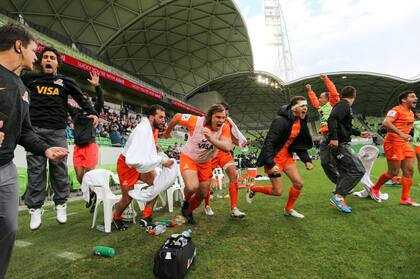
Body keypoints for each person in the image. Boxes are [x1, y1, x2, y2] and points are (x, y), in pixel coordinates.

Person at [0, 24, 68, 279]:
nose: (37, 57)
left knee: (8, 229)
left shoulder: (21, 87)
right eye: (33, 50)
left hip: (5, 169)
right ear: (19, 46)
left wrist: (47, 149)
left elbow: (25, 132)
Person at [21, 46, 99, 230]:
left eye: (52, 58)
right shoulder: (29, 78)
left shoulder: (65, 81)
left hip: (57, 131)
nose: (48, 60)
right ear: (41, 61)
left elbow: (81, 98)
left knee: (59, 169)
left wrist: (93, 112)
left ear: (57, 63)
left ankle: (60, 204)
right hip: (34, 131)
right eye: (46, 57)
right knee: (35, 169)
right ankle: (35, 208)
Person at [246, 96, 313, 218]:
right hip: (274, 159)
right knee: (277, 192)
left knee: (298, 183)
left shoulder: (300, 122)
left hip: (287, 157)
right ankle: (253, 188)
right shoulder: (280, 121)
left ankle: (288, 209)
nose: (305, 108)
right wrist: (270, 163)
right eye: (303, 106)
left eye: (306, 106)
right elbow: (269, 142)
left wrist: (306, 160)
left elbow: (299, 144)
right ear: (294, 108)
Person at [164, 104, 232, 224]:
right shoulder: (196, 121)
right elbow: (177, 116)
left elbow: (227, 147)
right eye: (218, 117)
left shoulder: (225, 128)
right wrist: (168, 131)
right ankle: (186, 201)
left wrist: (211, 138)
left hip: (205, 162)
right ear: (210, 116)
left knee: (203, 193)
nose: (221, 120)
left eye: (223, 117)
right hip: (189, 158)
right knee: (192, 186)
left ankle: (188, 211)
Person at [113, 105, 175, 230]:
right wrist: (162, 161)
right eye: (161, 117)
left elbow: (148, 147)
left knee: (157, 184)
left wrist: (156, 149)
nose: (164, 120)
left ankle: (146, 217)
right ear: (152, 118)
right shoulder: (142, 129)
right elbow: (134, 157)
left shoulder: (155, 130)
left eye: (164, 117)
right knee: (127, 199)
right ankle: (116, 217)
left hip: (142, 164)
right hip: (127, 165)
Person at [369, 91, 419, 206]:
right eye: (412, 96)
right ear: (403, 100)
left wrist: (406, 135)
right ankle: (375, 188)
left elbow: (405, 127)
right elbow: (386, 123)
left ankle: (405, 198)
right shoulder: (396, 110)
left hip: (405, 143)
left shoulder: (411, 113)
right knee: (394, 172)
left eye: (416, 96)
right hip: (393, 143)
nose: (415, 98)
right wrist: (401, 133)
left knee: (409, 170)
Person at [328, 86, 369, 213]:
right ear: (354, 96)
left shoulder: (344, 106)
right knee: (358, 170)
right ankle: (339, 197)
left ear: (341, 94)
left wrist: (358, 133)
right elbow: (332, 119)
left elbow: (345, 127)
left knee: (345, 171)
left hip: (340, 143)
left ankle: (338, 194)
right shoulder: (343, 105)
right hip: (340, 144)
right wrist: (334, 138)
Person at [203, 102, 247, 218]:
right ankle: (207, 205)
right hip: (210, 154)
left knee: (233, 175)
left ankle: (234, 208)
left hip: (223, 153)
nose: (223, 117)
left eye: (226, 114)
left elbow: (232, 138)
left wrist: (241, 143)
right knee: (207, 181)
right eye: (221, 114)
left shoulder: (227, 122)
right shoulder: (207, 121)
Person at [68, 72, 104, 184]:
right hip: (78, 148)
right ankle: (89, 194)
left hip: (90, 147)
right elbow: (64, 103)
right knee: (79, 177)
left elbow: (101, 101)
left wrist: (97, 86)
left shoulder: (93, 111)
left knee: (90, 176)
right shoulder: (75, 113)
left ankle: (92, 197)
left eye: (84, 99)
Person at [306, 74, 340, 184]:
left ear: (327, 99)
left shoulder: (332, 103)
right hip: (325, 136)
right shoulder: (321, 107)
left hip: (334, 134)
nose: (319, 99)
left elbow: (334, 93)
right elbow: (314, 101)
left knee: (337, 161)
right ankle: (339, 183)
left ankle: (345, 183)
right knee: (325, 162)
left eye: (321, 97)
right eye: (319, 97)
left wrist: (326, 79)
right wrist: (310, 91)